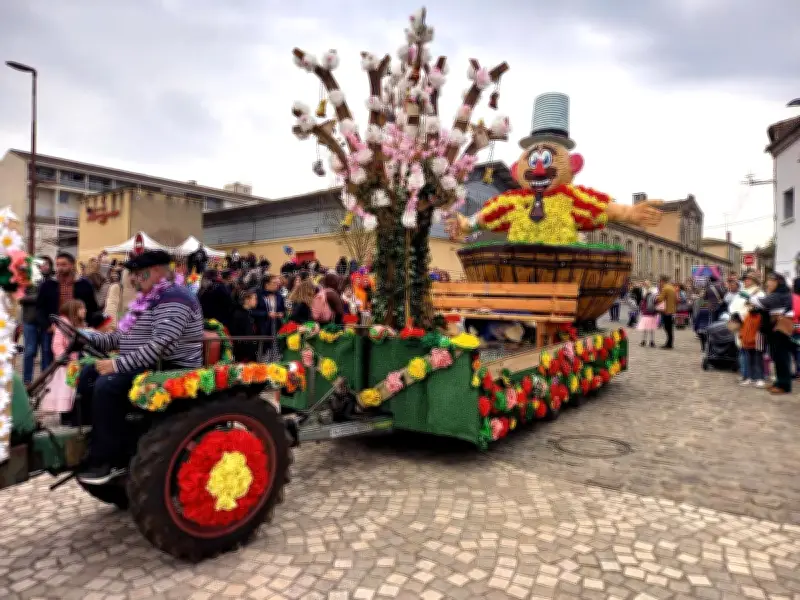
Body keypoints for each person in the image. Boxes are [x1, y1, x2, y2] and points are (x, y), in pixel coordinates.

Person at [76, 250, 203, 484]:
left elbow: (161, 344)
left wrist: (117, 364)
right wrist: (88, 337)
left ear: (156, 270)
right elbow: (120, 338)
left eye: (137, 273)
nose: (133, 279)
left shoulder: (175, 297)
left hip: (170, 366)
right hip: (147, 362)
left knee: (108, 385)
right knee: (88, 375)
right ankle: (99, 442)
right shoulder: (146, 299)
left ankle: (112, 459)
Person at [39, 299, 86, 417]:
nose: (85, 310)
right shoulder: (63, 326)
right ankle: (65, 412)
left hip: (74, 362)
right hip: (67, 364)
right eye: (82, 308)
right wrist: (64, 358)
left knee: (72, 387)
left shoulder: (76, 325)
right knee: (67, 388)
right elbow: (57, 344)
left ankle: (71, 411)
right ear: (74, 311)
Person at [36, 252, 100, 339]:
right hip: (54, 329)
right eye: (58, 265)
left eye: (63, 265)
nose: (60, 268)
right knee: (50, 352)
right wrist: (48, 326)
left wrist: (90, 326)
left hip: (79, 330)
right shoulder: (48, 285)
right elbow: (40, 308)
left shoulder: (85, 284)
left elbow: (93, 307)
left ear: (72, 265)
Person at [749, 272, 793, 395]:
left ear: (777, 282)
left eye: (770, 281)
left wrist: (748, 296)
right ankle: (779, 382)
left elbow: (761, 302)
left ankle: (784, 385)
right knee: (778, 357)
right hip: (776, 329)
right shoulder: (778, 293)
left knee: (782, 358)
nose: (767, 283)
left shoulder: (780, 294)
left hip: (781, 329)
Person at [20, 255, 53, 384]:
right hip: (30, 320)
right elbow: (21, 298)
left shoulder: (52, 281)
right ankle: (27, 381)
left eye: (47, 264)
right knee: (29, 350)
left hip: (46, 322)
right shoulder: (27, 279)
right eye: (42, 264)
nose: (45, 266)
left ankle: (45, 380)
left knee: (46, 351)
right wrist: (40, 297)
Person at [229, 290, 259, 362]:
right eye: (254, 298)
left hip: (250, 348)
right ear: (246, 300)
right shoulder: (239, 314)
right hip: (243, 351)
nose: (256, 301)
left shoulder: (249, 313)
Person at [656, 276, 677, 349]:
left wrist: (657, 296)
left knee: (667, 327)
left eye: (659, 282)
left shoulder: (665, 288)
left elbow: (660, 299)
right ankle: (670, 343)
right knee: (670, 328)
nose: (659, 283)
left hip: (666, 310)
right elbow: (676, 299)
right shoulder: (672, 288)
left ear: (662, 281)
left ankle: (669, 344)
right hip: (672, 310)